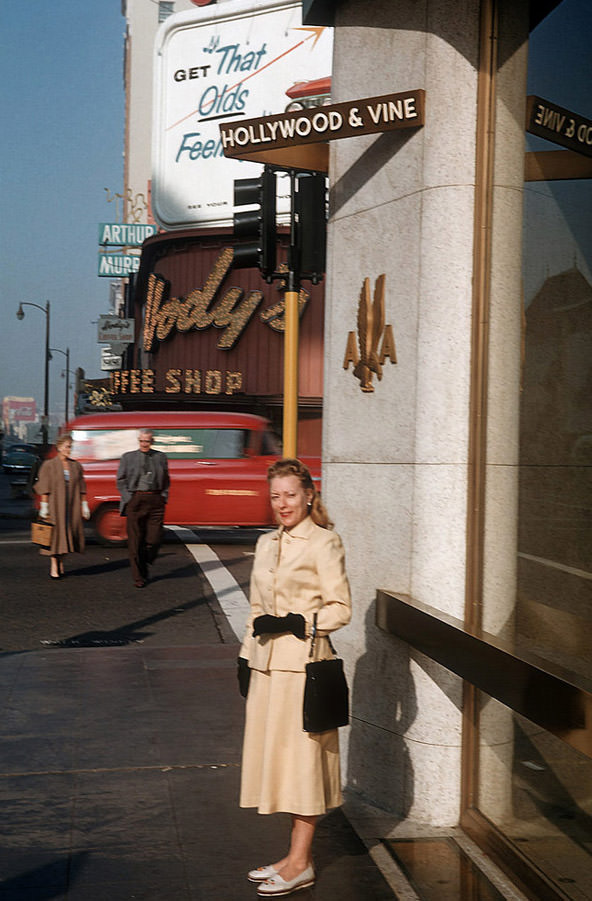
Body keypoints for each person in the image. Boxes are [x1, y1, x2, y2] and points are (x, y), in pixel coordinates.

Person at [238, 458, 352, 897]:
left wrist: (296, 621)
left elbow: (341, 608)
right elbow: (253, 610)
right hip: (268, 671)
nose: (282, 504)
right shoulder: (267, 543)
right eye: (275, 496)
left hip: (304, 670)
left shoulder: (325, 542)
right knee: (283, 766)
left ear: (309, 495)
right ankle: (292, 855)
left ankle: (302, 863)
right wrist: (247, 659)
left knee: (304, 765)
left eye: (290, 495)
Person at [116, 428, 170, 588]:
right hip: (136, 499)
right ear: (138, 441)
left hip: (156, 499)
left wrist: (163, 496)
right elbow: (120, 480)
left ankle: (146, 560)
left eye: (147, 441)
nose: (144, 444)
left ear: (152, 442)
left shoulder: (160, 457)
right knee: (135, 541)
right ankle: (138, 577)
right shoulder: (128, 457)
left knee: (154, 539)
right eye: (141, 441)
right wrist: (129, 498)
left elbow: (167, 479)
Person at [35, 432, 90, 579]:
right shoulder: (49, 465)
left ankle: (61, 561)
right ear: (59, 447)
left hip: (71, 505)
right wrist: (44, 506)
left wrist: (84, 505)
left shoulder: (75, 465)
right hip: (55, 506)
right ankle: (54, 564)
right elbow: (44, 486)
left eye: (70, 447)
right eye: (66, 446)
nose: (68, 449)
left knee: (69, 534)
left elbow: (82, 486)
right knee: (55, 536)